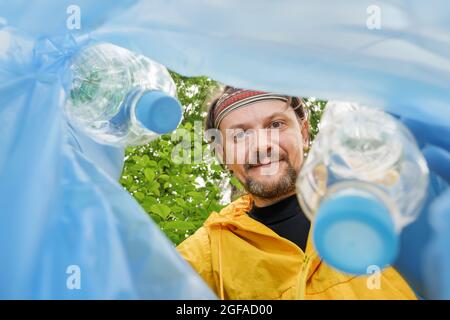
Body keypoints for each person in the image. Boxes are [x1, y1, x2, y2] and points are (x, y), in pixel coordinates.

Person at [177, 86, 416, 300]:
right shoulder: (209, 252)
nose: (261, 146)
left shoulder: (386, 200)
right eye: (240, 135)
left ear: (303, 132)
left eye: (275, 125)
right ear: (224, 155)